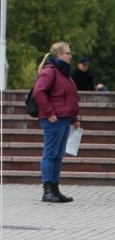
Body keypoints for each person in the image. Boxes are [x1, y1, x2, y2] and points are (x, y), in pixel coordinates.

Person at [32, 42, 80, 204]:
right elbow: (39, 92)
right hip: (54, 119)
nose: (70, 55)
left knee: (58, 155)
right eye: (68, 53)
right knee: (51, 153)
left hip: (64, 118)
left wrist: (74, 118)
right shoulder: (50, 71)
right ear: (59, 55)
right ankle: (47, 190)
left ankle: (55, 188)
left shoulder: (64, 73)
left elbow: (70, 97)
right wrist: (49, 112)